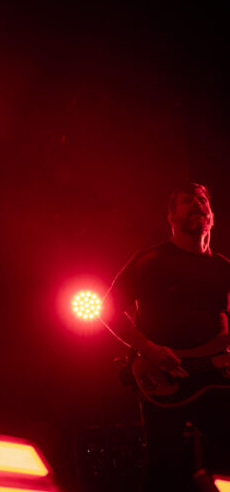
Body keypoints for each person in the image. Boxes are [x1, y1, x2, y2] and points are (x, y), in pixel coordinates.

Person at [101, 182, 230, 490]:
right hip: (163, 376)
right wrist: (149, 349)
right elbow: (107, 309)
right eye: (187, 201)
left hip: (214, 372)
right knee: (164, 466)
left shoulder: (223, 267)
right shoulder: (149, 260)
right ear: (171, 217)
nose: (197, 204)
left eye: (202, 201)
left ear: (212, 216)